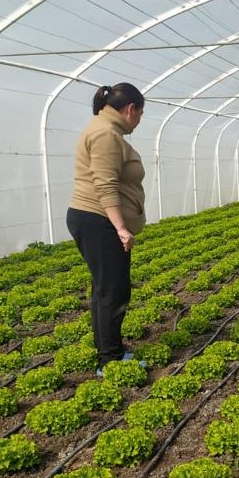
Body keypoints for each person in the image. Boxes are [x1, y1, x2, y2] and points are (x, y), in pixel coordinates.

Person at [66, 83, 146, 373]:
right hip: (98, 220)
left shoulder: (103, 129)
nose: (140, 120)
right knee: (113, 291)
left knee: (106, 290)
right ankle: (109, 360)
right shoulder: (105, 134)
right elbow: (105, 185)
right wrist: (121, 228)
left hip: (95, 219)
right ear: (130, 109)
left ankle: (110, 350)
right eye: (141, 113)